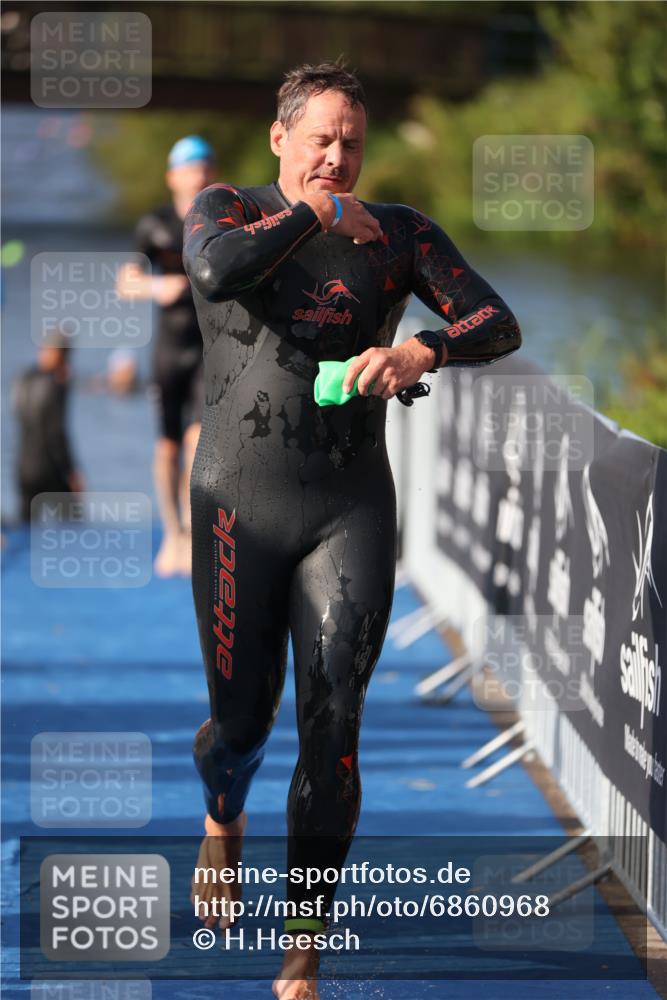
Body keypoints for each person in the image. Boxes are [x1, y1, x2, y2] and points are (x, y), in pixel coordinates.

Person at [183, 62, 521, 1000]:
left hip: (348, 505)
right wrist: (318, 217)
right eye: (321, 139)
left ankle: (302, 952)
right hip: (237, 505)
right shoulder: (227, 205)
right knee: (241, 726)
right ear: (280, 140)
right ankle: (222, 818)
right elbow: (215, 268)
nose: (337, 157)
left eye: (352, 144)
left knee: (333, 729)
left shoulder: (401, 235)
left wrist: (424, 346)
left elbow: (499, 319)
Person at [116, 136, 217, 576]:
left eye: (205, 168)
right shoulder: (154, 225)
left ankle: (193, 534)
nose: (198, 176)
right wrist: (160, 288)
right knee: (166, 448)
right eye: (190, 169)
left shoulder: (219, 220)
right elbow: (126, 283)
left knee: (197, 441)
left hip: (208, 349)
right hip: (169, 348)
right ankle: (171, 533)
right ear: (173, 176)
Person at [13, 332, 84, 523]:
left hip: (23, 468)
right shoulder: (56, 383)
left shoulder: (23, 380)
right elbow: (56, 434)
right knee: (73, 527)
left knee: (25, 530)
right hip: (50, 469)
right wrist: (72, 472)